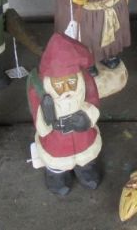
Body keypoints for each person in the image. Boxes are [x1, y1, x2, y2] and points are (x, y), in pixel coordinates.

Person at [26, 33, 102, 196]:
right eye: (59, 84)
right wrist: (46, 116)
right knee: (57, 163)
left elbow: (93, 100)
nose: (67, 89)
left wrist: (87, 118)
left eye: (71, 82)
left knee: (86, 157)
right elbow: (37, 119)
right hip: (56, 139)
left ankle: (85, 168)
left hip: (83, 137)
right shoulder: (39, 88)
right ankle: (57, 175)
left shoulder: (85, 80)